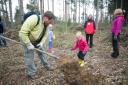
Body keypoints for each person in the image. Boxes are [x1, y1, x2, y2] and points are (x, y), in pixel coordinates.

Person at [19, 11, 55, 79]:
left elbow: (45, 35)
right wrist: (28, 44)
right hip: (27, 39)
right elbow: (22, 33)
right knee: (29, 57)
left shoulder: (47, 25)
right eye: (50, 22)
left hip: (37, 41)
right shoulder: (34, 19)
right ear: (46, 18)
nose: (50, 24)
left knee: (42, 54)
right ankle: (32, 73)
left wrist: (41, 43)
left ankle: (47, 66)